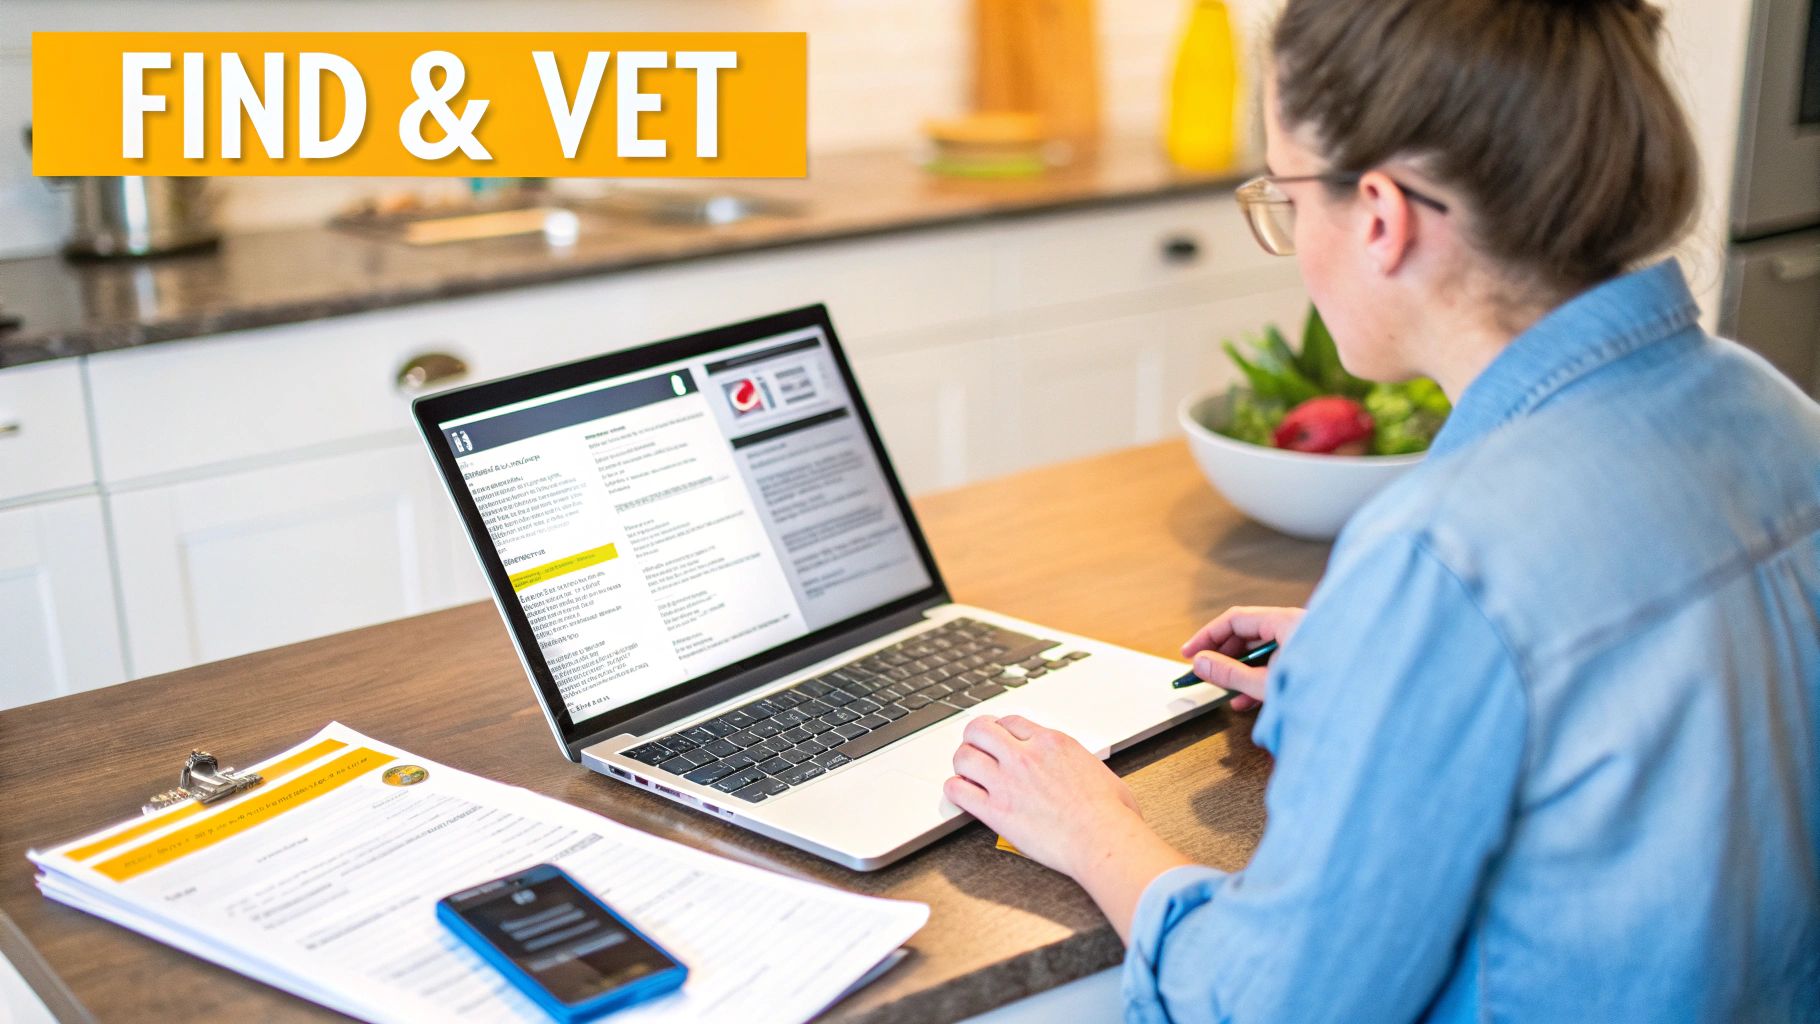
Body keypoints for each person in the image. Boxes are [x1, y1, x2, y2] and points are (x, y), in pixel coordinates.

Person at [942, 0, 1820, 1019]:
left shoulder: (1442, 557)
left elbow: (1269, 1004)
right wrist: (1381, 668)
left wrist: (1090, 826)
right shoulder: (1777, 412)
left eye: (1282, 193)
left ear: (1377, 214)